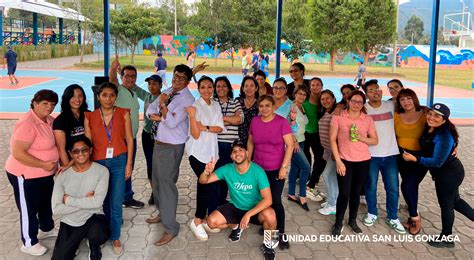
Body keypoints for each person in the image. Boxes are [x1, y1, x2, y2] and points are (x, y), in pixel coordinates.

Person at [403, 103, 474, 248]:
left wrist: (415, 159)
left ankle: (447, 239)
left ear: (444, 120)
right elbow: (428, 150)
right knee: (456, 201)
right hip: (446, 173)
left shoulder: (444, 135)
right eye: (430, 113)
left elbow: (436, 161)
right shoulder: (429, 128)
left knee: (446, 205)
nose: (431, 117)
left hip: (449, 174)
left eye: (437, 116)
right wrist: (415, 153)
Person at [200, 140, 277, 259]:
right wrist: (206, 171)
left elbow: (268, 200)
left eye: (241, 150)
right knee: (211, 222)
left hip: (255, 209)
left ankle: (268, 245)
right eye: (234, 151)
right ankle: (236, 227)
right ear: (231, 156)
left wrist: (248, 215)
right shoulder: (227, 169)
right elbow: (203, 181)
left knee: (271, 216)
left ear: (247, 153)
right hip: (236, 206)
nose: (237, 153)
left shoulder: (258, 171)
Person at [145, 64, 195, 246]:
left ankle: (171, 227)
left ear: (188, 81)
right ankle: (162, 212)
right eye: (175, 75)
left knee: (166, 184)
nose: (176, 79)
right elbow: (150, 110)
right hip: (159, 142)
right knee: (156, 180)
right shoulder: (168, 90)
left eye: (181, 78)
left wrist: (163, 107)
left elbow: (172, 123)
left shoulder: (187, 99)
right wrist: (160, 114)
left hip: (172, 146)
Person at [5, 89, 59, 256]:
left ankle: (46, 228)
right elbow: (18, 153)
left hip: (46, 174)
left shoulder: (49, 120)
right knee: (29, 208)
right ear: (35, 103)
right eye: (45, 103)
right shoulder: (27, 123)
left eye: (52, 104)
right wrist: (43, 164)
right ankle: (29, 242)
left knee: (45, 203)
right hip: (25, 175)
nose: (49, 107)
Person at [84, 82, 134, 254]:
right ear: (98, 97)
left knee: (116, 200)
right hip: (98, 163)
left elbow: (130, 140)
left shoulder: (123, 113)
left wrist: (129, 164)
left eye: (111, 95)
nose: (108, 98)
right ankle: (105, 230)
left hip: (119, 161)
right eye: (104, 95)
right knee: (102, 200)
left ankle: (116, 236)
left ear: (115, 96)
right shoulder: (89, 116)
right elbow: (88, 145)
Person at [51, 136, 110, 260]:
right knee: (59, 257)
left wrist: (68, 200)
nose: (81, 154)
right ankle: (75, 243)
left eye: (84, 150)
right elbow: (56, 209)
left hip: (93, 217)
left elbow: (97, 202)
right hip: (70, 221)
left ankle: (94, 245)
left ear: (90, 150)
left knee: (99, 234)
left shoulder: (102, 171)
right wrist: (87, 201)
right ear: (70, 154)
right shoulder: (62, 176)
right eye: (76, 151)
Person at [248, 95, 294, 249]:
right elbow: (250, 141)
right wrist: (248, 162)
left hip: (276, 170)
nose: (264, 109)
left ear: (274, 106)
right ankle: (267, 223)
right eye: (261, 106)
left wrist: (284, 167)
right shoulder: (255, 121)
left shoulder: (281, 122)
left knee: (275, 201)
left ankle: (279, 234)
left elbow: (290, 146)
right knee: (261, 200)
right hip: (258, 170)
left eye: (268, 105)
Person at [330, 90, 377, 235]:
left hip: (363, 161)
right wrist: (338, 161)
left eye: (360, 102)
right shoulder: (338, 117)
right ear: (348, 101)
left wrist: (362, 138)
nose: (356, 104)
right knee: (344, 193)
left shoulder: (367, 119)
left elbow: (375, 140)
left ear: (363, 104)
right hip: (344, 160)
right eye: (354, 101)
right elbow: (332, 139)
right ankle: (338, 223)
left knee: (356, 193)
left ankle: (352, 220)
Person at [362, 80, 406, 234]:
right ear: (366, 94)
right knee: (371, 186)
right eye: (371, 90)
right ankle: (372, 213)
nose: (376, 92)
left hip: (391, 155)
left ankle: (393, 217)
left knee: (393, 188)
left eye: (377, 89)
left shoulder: (391, 106)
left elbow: (414, 108)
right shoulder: (363, 109)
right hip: (371, 155)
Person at [186, 76, 225, 241]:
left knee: (208, 185)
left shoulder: (216, 104)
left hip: (211, 153)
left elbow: (220, 128)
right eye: (203, 87)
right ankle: (197, 220)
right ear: (198, 89)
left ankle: (204, 220)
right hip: (197, 152)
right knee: (205, 184)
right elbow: (195, 134)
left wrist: (205, 127)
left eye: (210, 87)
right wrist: (192, 118)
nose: (207, 90)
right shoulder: (195, 107)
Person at [109, 55, 145, 209]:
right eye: (127, 76)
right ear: (121, 77)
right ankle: (119, 200)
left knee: (128, 168)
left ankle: (126, 196)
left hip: (131, 138)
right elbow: (112, 81)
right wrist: (112, 69)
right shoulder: (118, 90)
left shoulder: (133, 92)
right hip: (121, 139)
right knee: (121, 169)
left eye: (133, 76)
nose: (130, 79)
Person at [394, 88, 427, 235]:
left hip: (420, 157)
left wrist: (453, 146)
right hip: (401, 155)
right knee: (411, 185)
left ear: (414, 98)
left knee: (407, 186)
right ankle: (413, 210)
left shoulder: (426, 113)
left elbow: (444, 128)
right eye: (402, 99)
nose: (406, 102)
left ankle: (415, 217)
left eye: (408, 98)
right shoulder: (396, 115)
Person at [214, 76, 244, 206]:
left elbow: (239, 120)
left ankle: (221, 202)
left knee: (227, 175)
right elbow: (209, 121)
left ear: (229, 88)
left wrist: (220, 119)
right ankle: (215, 202)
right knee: (215, 175)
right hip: (214, 145)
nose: (221, 88)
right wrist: (230, 118)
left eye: (224, 86)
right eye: (218, 86)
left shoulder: (235, 102)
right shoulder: (212, 102)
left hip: (230, 145)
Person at [132, 74, 162, 205]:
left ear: (161, 85)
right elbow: (133, 86)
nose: (151, 86)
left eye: (154, 83)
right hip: (146, 135)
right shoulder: (146, 96)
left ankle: (162, 192)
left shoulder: (165, 98)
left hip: (161, 138)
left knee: (159, 166)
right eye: (149, 84)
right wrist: (119, 71)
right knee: (150, 164)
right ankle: (154, 192)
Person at [287, 86, 311, 211]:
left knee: (295, 168)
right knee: (306, 167)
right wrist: (294, 140)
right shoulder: (291, 107)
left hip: (301, 141)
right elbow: (286, 126)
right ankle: (302, 196)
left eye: (304, 94)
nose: (302, 96)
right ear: (295, 94)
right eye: (299, 94)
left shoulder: (302, 107)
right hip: (293, 143)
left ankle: (291, 193)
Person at [53, 84, 89, 166]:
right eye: (73, 96)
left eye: (80, 96)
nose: (77, 100)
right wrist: (68, 166)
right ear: (67, 98)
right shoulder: (60, 121)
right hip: (71, 163)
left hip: (89, 160)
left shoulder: (88, 115)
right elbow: (61, 149)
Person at [304, 77, 326, 202]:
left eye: (318, 85)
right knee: (306, 158)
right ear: (310, 87)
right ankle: (308, 183)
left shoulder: (324, 101)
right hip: (306, 134)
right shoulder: (305, 101)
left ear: (321, 86)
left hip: (319, 135)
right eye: (313, 85)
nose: (315, 87)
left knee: (321, 160)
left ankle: (312, 182)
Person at [317, 90, 339, 215]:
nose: (325, 101)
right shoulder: (325, 112)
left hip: (335, 151)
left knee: (327, 175)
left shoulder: (337, 112)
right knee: (332, 177)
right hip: (328, 150)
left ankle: (333, 204)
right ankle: (333, 201)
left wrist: (336, 153)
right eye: (322, 99)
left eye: (328, 98)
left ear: (334, 98)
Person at [237, 76, 259, 145]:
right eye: (246, 86)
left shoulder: (261, 103)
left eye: (252, 86)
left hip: (255, 140)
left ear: (256, 88)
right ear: (243, 88)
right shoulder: (237, 101)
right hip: (238, 141)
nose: (249, 88)